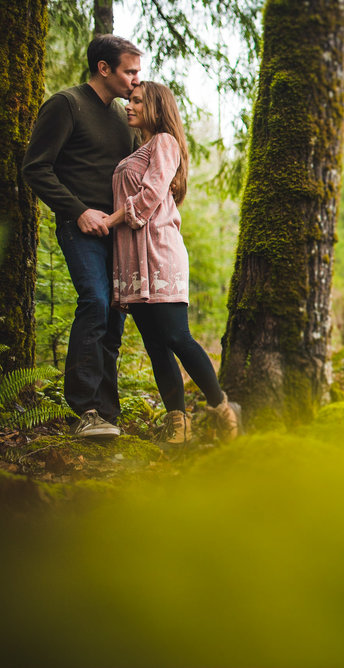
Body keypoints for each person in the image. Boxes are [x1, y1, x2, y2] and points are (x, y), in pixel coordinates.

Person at [103, 81, 240, 444]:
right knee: (156, 346)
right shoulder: (141, 147)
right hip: (134, 260)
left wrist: (109, 219)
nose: (128, 106)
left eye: (136, 101)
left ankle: (222, 407)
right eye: (128, 99)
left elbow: (149, 198)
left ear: (156, 107)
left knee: (177, 336)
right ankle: (177, 424)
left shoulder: (164, 141)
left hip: (161, 255)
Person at [22, 35, 143, 439]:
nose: (135, 80)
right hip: (80, 228)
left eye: (137, 72)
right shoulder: (66, 104)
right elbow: (37, 168)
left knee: (114, 314)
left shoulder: (122, 117)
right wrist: (79, 211)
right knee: (94, 301)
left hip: (118, 232)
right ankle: (84, 410)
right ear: (104, 68)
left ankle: (108, 414)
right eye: (129, 71)